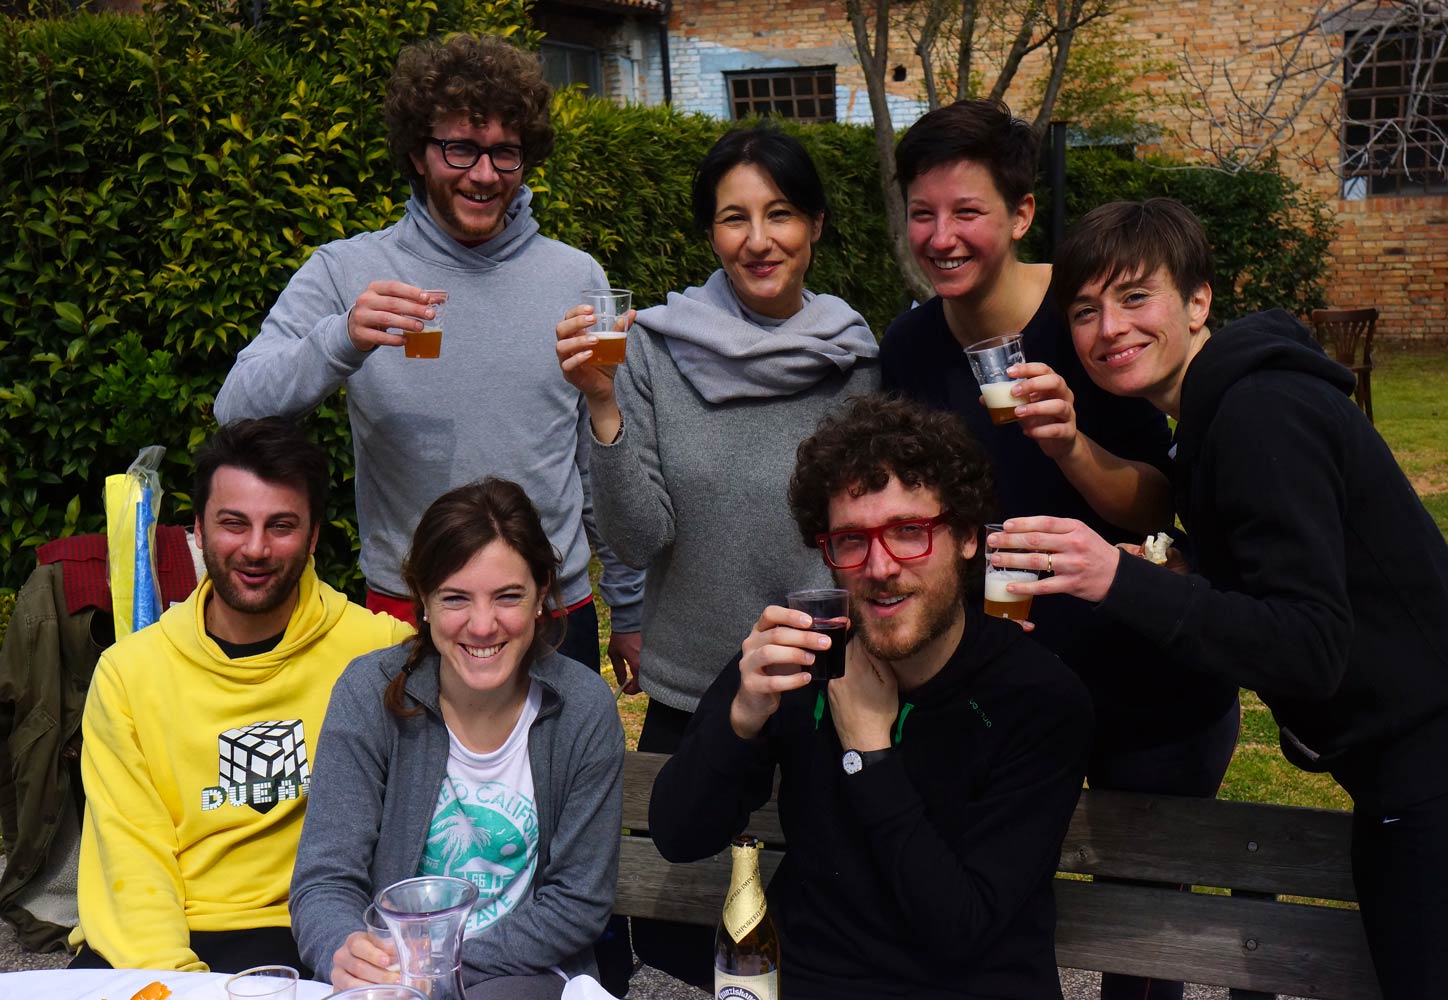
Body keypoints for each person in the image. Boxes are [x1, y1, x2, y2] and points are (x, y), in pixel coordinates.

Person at [1000, 196, 1448, 997]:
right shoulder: (1216, 417)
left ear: (1199, 301)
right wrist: (1189, 570)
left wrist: (1116, 578)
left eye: (1136, 298)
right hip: (1411, 772)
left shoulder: (1257, 413)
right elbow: (1295, 575)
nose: (1108, 330)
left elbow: (1309, 647)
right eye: (1086, 310)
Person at [880, 102, 1238, 1000]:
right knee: (992, 911)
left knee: (1144, 940)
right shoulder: (911, 348)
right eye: (923, 214)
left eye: (967, 212)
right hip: (998, 684)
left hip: (1142, 682)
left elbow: (1168, 504)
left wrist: (1071, 445)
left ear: (1022, 214)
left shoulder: (1094, 324)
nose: (942, 236)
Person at [554, 125, 879, 983]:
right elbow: (633, 537)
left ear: (814, 223)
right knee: (669, 929)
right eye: (734, 218)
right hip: (692, 692)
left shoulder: (855, 357)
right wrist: (601, 406)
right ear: (711, 234)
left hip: (825, 690)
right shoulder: (653, 348)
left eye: (780, 214)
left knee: (826, 926)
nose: (758, 239)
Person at [215, 32, 643, 678]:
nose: (483, 174)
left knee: (559, 781)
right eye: (460, 148)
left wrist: (629, 610)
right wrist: (344, 339)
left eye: (506, 153)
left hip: (551, 612)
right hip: (405, 612)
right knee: (409, 782)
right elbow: (236, 407)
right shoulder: (348, 270)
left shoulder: (573, 276)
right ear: (417, 152)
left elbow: (589, 458)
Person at [650, 394, 1092, 1000]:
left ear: (966, 537)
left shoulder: (1035, 697)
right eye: (852, 540)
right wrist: (741, 719)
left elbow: (960, 930)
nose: (880, 566)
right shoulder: (800, 660)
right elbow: (678, 837)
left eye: (909, 532)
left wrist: (869, 753)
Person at [68, 418, 411, 973]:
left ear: (314, 535)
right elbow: (132, 856)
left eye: (281, 526)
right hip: (168, 929)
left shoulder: (380, 650)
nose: (255, 548)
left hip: (314, 932)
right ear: (198, 530)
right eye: (233, 524)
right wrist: (177, 980)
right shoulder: (129, 673)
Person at [290, 477, 624, 1000]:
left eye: (508, 596)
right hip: (390, 980)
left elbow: (576, 903)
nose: (483, 624)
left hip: (524, 975)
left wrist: (433, 966)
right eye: (455, 598)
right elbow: (326, 879)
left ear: (542, 597)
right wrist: (344, 946)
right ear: (422, 601)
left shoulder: (581, 709)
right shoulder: (369, 693)